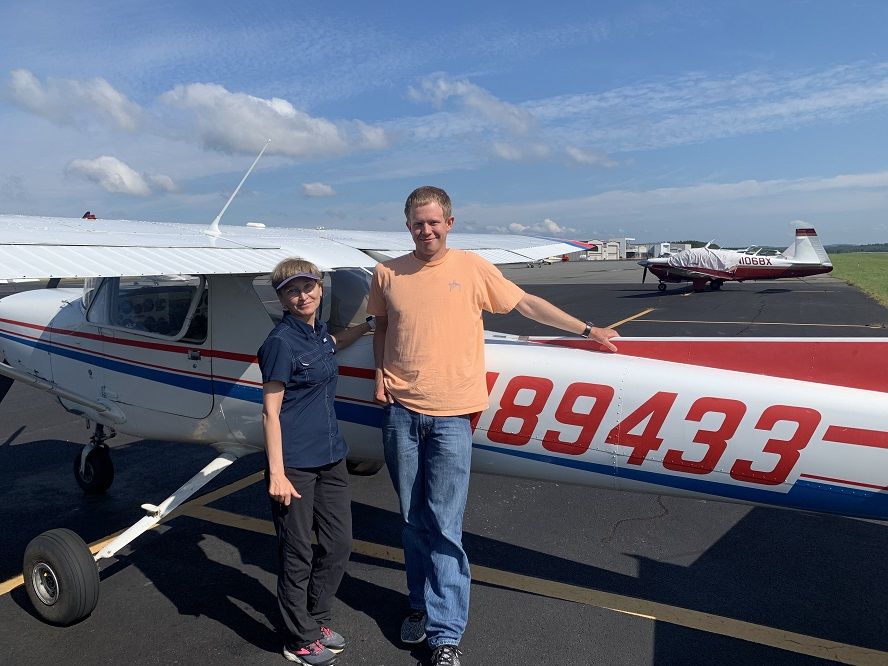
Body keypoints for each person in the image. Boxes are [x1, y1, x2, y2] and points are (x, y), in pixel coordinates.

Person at [367, 186, 619, 666]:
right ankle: (418, 604)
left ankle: (445, 633)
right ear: (407, 226)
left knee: (445, 525)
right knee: (411, 520)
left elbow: (525, 304)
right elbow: (381, 327)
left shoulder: (472, 267)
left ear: (449, 223)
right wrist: (380, 374)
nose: (426, 230)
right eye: (418, 223)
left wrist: (588, 330)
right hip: (400, 411)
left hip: (453, 416)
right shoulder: (387, 273)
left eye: (434, 222)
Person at [259, 258, 373, 666]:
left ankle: (316, 617)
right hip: (295, 464)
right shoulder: (280, 343)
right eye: (292, 290)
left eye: (308, 287)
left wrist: (369, 326)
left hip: (331, 455)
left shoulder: (319, 333)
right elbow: (270, 412)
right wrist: (277, 473)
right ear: (282, 299)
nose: (302, 296)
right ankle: (298, 639)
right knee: (297, 553)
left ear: (320, 289)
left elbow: (334, 343)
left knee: (339, 544)